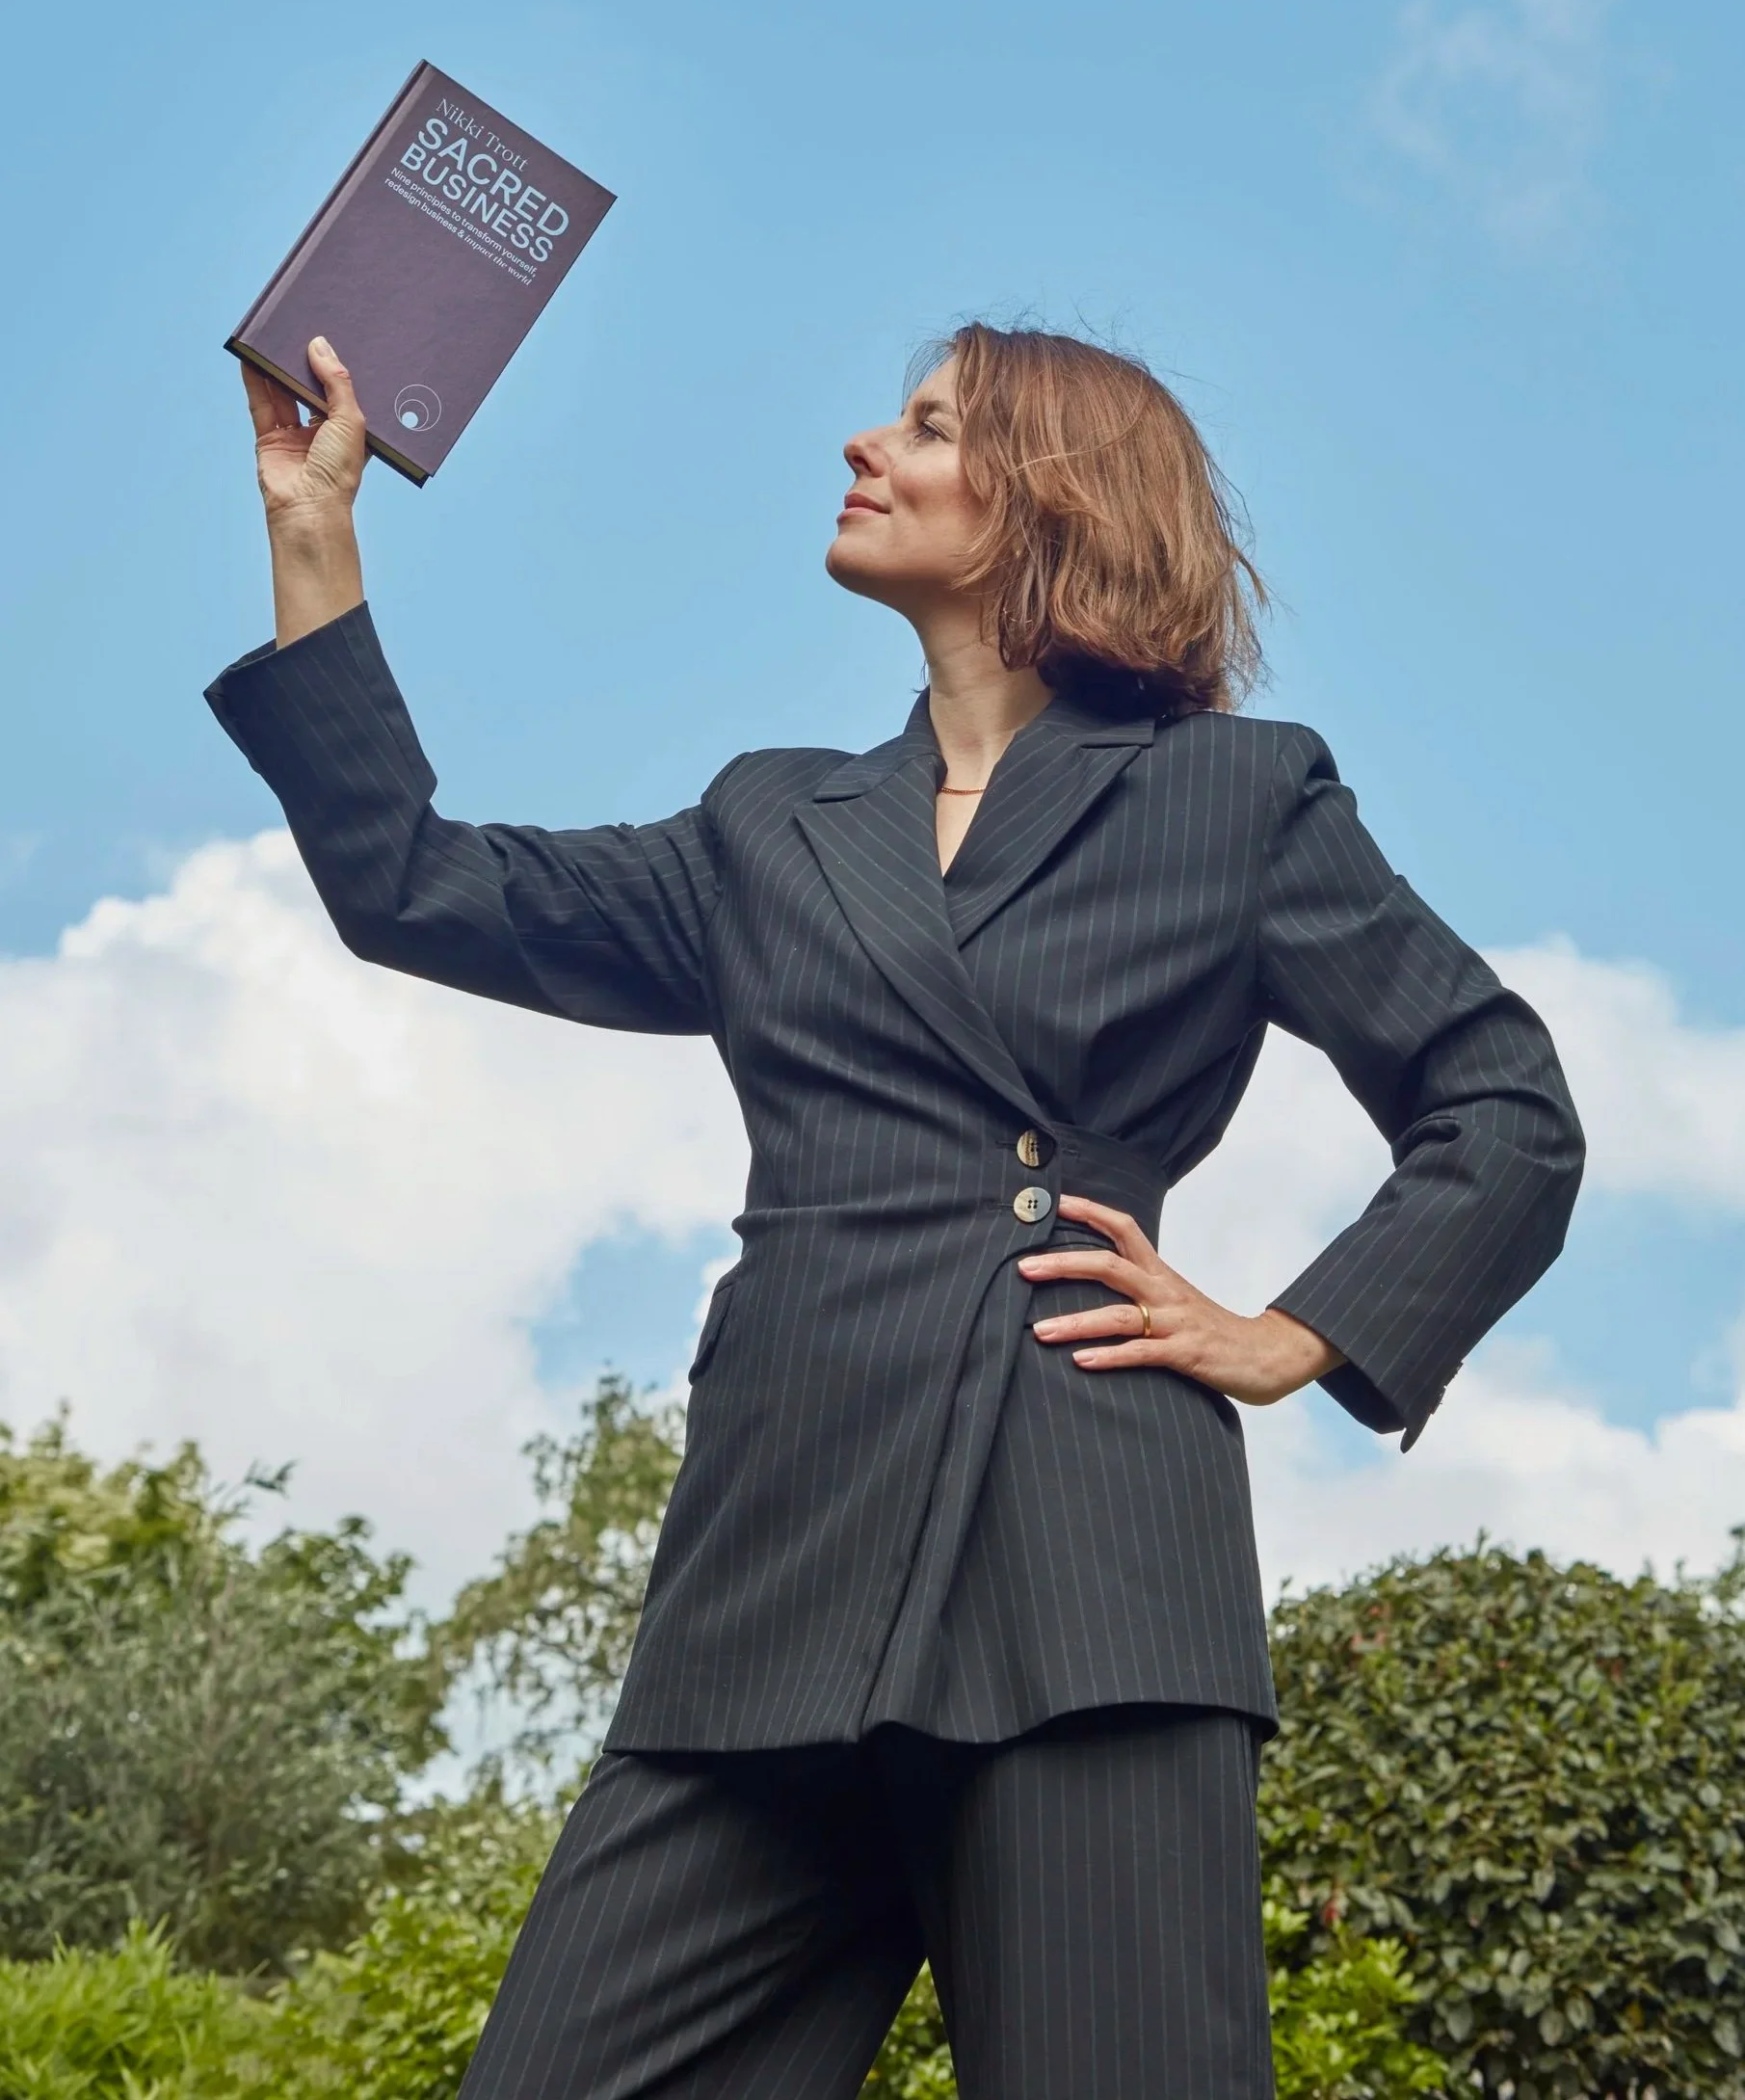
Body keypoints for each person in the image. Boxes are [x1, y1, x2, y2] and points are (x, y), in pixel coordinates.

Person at [211, 324, 1584, 2100]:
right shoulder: (772, 822)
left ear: (1053, 498)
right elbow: (414, 883)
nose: (865, 443)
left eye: (927, 426)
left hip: (1089, 1578)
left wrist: (1289, 1336)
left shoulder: (1234, 795)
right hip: (772, 1565)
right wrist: (311, 531)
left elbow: (1502, 1104)